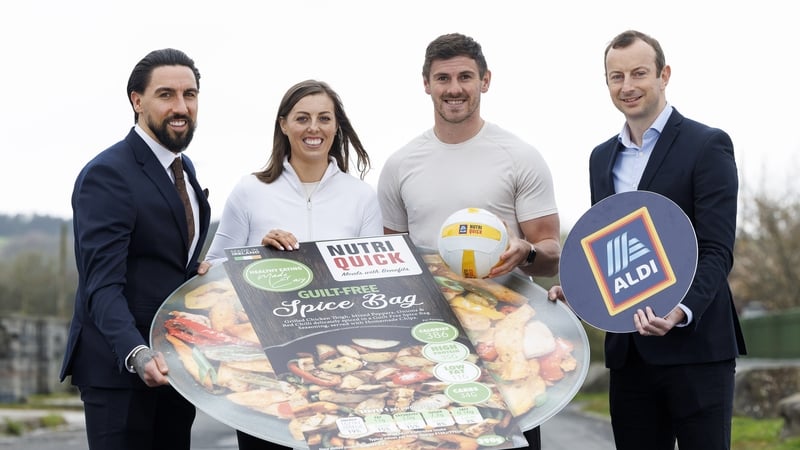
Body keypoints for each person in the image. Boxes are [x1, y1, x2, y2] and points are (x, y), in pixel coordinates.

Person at [548, 30, 747, 450]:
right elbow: (610, 248)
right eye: (616, 77)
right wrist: (583, 291)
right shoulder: (602, 158)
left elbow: (716, 250)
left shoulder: (707, 145)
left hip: (697, 349)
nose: (628, 86)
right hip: (630, 355)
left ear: (664, 75)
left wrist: (680, 311)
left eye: (639, 73)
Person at [377, 32, 561, 450]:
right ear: (426, 84)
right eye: (443, 78)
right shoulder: (400, 164)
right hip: (429, 343)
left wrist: (526, 252)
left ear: (485, 80)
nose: (454, 89)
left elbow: (550, 253)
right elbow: (393, 263)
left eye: (465, 77)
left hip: (506, 340)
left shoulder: (519, 156)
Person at [198, 79, 382, 449]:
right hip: (265, 366)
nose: (313, 128)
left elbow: (375, 283)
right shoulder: (250, 190)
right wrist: (257, 256)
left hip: (343, 368)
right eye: (302, 118)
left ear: (336, 126)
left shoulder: (361, 197)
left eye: (324, 118)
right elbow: (213, 272)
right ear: (283, 124)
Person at [59, 48, 211, 450]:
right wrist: (136, 352)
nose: (181, 107)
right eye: (166, 95)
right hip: (120, 370)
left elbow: (173, 261)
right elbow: (101, 285)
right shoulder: (108, 174)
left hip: (174, 368)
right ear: (137, 100)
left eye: (190, 95)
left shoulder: (185, 169)